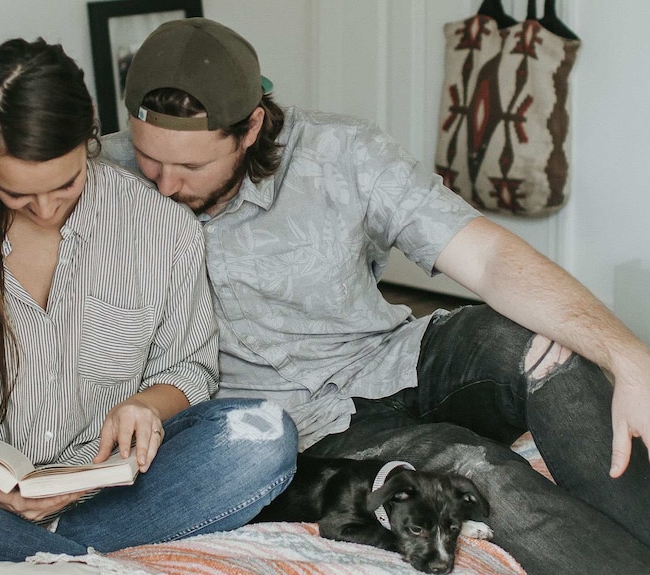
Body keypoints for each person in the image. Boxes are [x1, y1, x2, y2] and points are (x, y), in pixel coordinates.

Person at [99, 17, 650, 574]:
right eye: (150, 158)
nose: (164, 185)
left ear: (250, 128)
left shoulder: (340, 151)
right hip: (307, 422)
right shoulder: (101, 180)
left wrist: (627, 355)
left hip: (394, 357)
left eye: (190, 165)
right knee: (475, 470)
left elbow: (485, 259)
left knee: (551, 354)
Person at [0, 37, 297, 564]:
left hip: (117, 489)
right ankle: (73, 557)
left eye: (65, 184)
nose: (46, 209)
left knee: (264, 436)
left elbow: (189, 367)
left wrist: (144, 405)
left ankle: (36, 554)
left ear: (89, 135)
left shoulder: (160, 225)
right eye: (18, 194)